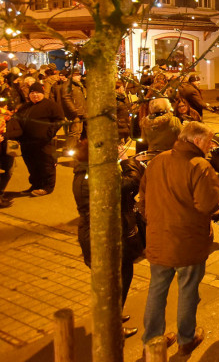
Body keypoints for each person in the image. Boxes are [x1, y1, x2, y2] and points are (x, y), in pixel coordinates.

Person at [140, 121, 219, 355]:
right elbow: (208, 204)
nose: (210, 146)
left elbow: (143, 196)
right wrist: (218, 200)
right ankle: (186, 337)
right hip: (188, 240)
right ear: (196, 141)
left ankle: (152, 341)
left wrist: (153, 221)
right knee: (188, 289)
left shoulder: (157, 161)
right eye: (208, 142)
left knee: (157, 289)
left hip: (159, 238)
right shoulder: (199, 166)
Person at [72, 139, 142, 338]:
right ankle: (112, 328)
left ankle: (113, 316)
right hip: (106, 238)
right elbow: (132, 182)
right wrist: (125, 160)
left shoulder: (84, 172)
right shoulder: (97, 178)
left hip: (98, 234)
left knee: (113, 280)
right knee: (116, 281)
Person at [14, 82, 63, 196]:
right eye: (32, 93)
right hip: (27, 142)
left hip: (44, 142)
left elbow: (59, 119)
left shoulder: (50, 105)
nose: (35, 95)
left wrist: (49, 133)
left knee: (46, 165)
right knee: (32, 165)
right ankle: (35, 185)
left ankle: (47, 187)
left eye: (37, 93)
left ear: (42, 93)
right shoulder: (25, 106)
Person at [61, 70, 86, 152]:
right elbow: (66, 98)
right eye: (77, 75)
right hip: (75, 113)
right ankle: (70, 149)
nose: (80, 77)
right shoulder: (68, 85)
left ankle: (75, 148)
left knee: (79, 131)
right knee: (74, 132)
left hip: (80, 112)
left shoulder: (77, 85)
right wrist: (73, 110)